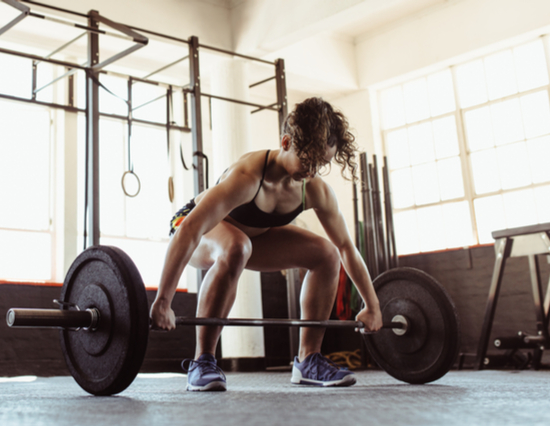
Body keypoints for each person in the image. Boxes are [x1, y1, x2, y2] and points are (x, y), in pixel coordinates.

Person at [150, 97, 383, 391]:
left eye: (320, 164)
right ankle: (202, 361)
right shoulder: (247, 176)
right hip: (191, 227)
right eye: (307, 159)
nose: (311, 171)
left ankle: (308, 360)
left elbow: (347, 247)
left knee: (326, 254)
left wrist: (372, 305)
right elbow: (192, 229)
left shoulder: (314, 190)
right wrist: (163, 300)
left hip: (250, 238)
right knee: (236, 246)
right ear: (286, 142)